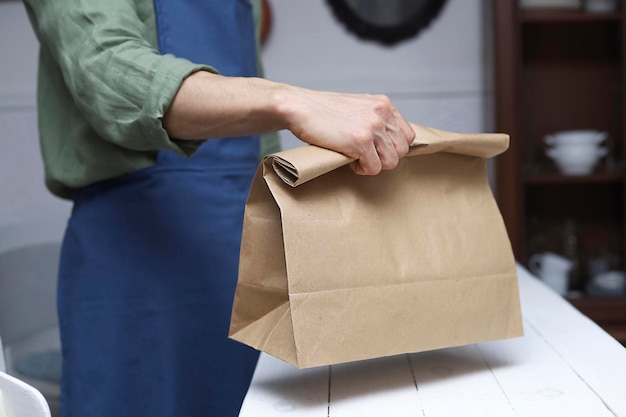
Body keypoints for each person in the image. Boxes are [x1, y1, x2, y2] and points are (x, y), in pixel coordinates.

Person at [22, 0, 415, 416]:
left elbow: (251, 137)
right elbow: (107, 67)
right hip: (138, 262)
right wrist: (289, 100)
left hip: (242, 249)